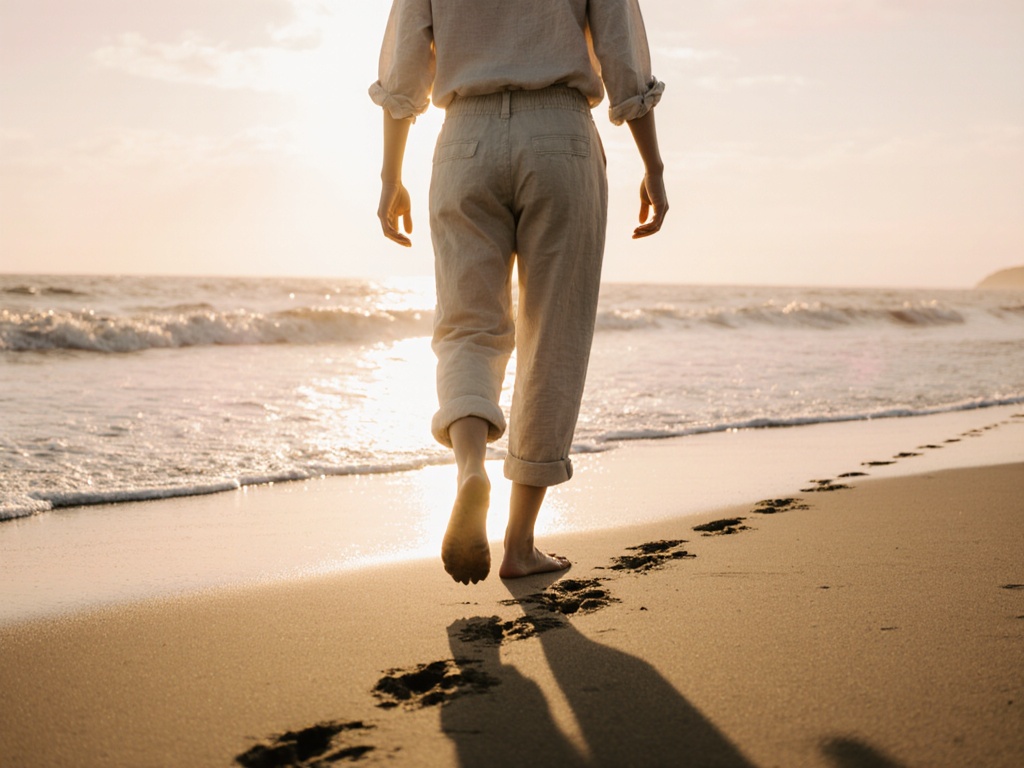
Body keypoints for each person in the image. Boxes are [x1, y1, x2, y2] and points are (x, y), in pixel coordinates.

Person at [370, 0, 668, 584]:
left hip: (464, 138)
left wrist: (390, 175)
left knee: (466, 327)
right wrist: (653, 163)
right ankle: (520, 544)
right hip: (559, 133)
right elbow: (622, 56)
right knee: (552, 334)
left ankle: (470, 470)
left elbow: (405, 65)